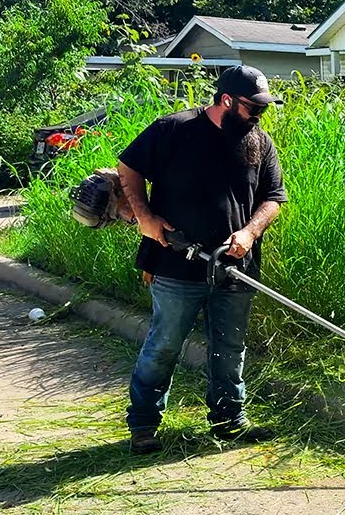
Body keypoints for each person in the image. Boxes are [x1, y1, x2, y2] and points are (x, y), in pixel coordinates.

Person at [116, 66, 288, 454]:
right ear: (226, 100)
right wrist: (145, 217)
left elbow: (273, 198)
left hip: (234, 267)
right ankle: (143, 425)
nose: (259, 115)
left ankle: (229, 420)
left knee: (230, 348)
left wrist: (248, 233)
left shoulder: (259, 141)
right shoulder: (173, 129)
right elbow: (129, 166)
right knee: (164, 345)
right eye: (252, 107)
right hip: (176, 264)